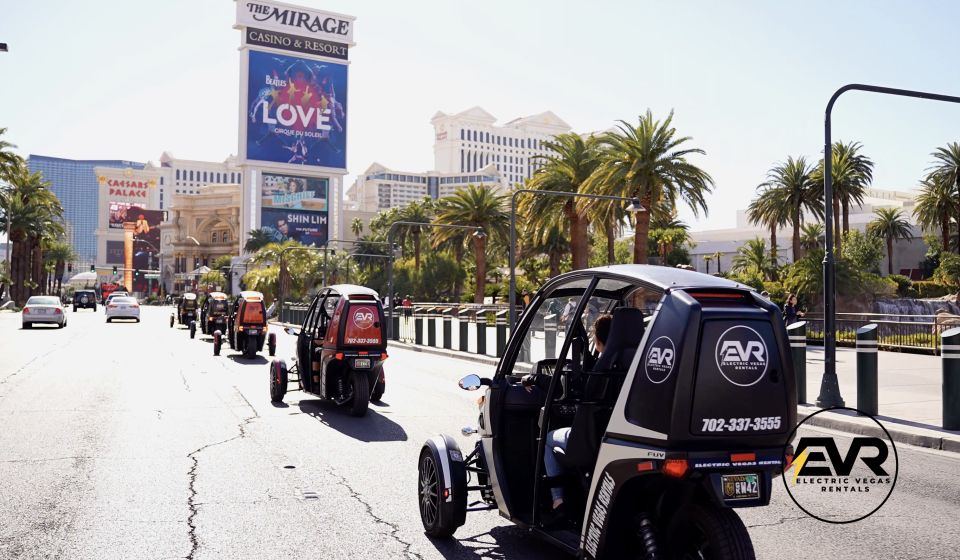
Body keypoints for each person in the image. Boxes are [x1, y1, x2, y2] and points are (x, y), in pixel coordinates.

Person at [526, 313, 612, 523]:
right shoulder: (637, 365)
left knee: (547, 438)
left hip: (590, 439)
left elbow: (563, 387)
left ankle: (558, 502)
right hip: (616, 437)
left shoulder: (600, 369)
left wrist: (534, 378)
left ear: (599, 340)